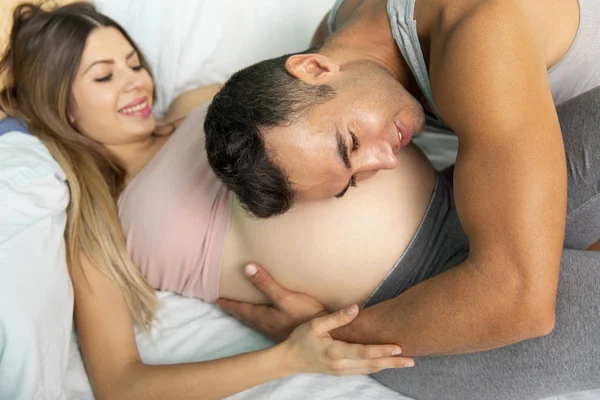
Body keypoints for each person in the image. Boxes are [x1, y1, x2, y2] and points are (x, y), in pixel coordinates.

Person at [0, 3, 414, 399]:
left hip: (462, 206)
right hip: (403, 310)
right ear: (59, 106)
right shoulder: (99, 225)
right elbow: (120, 384)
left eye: (134, 63)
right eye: (104, 76)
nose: (136, 83)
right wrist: (287, 358)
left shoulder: (194, 103)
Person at [202, 0, 600, 398]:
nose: (388, 162)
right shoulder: (338, 32)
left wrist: (326, 331)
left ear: (314, 69)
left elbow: (518, 300)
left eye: (350, 143)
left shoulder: (481, 31)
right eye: (353, 180)